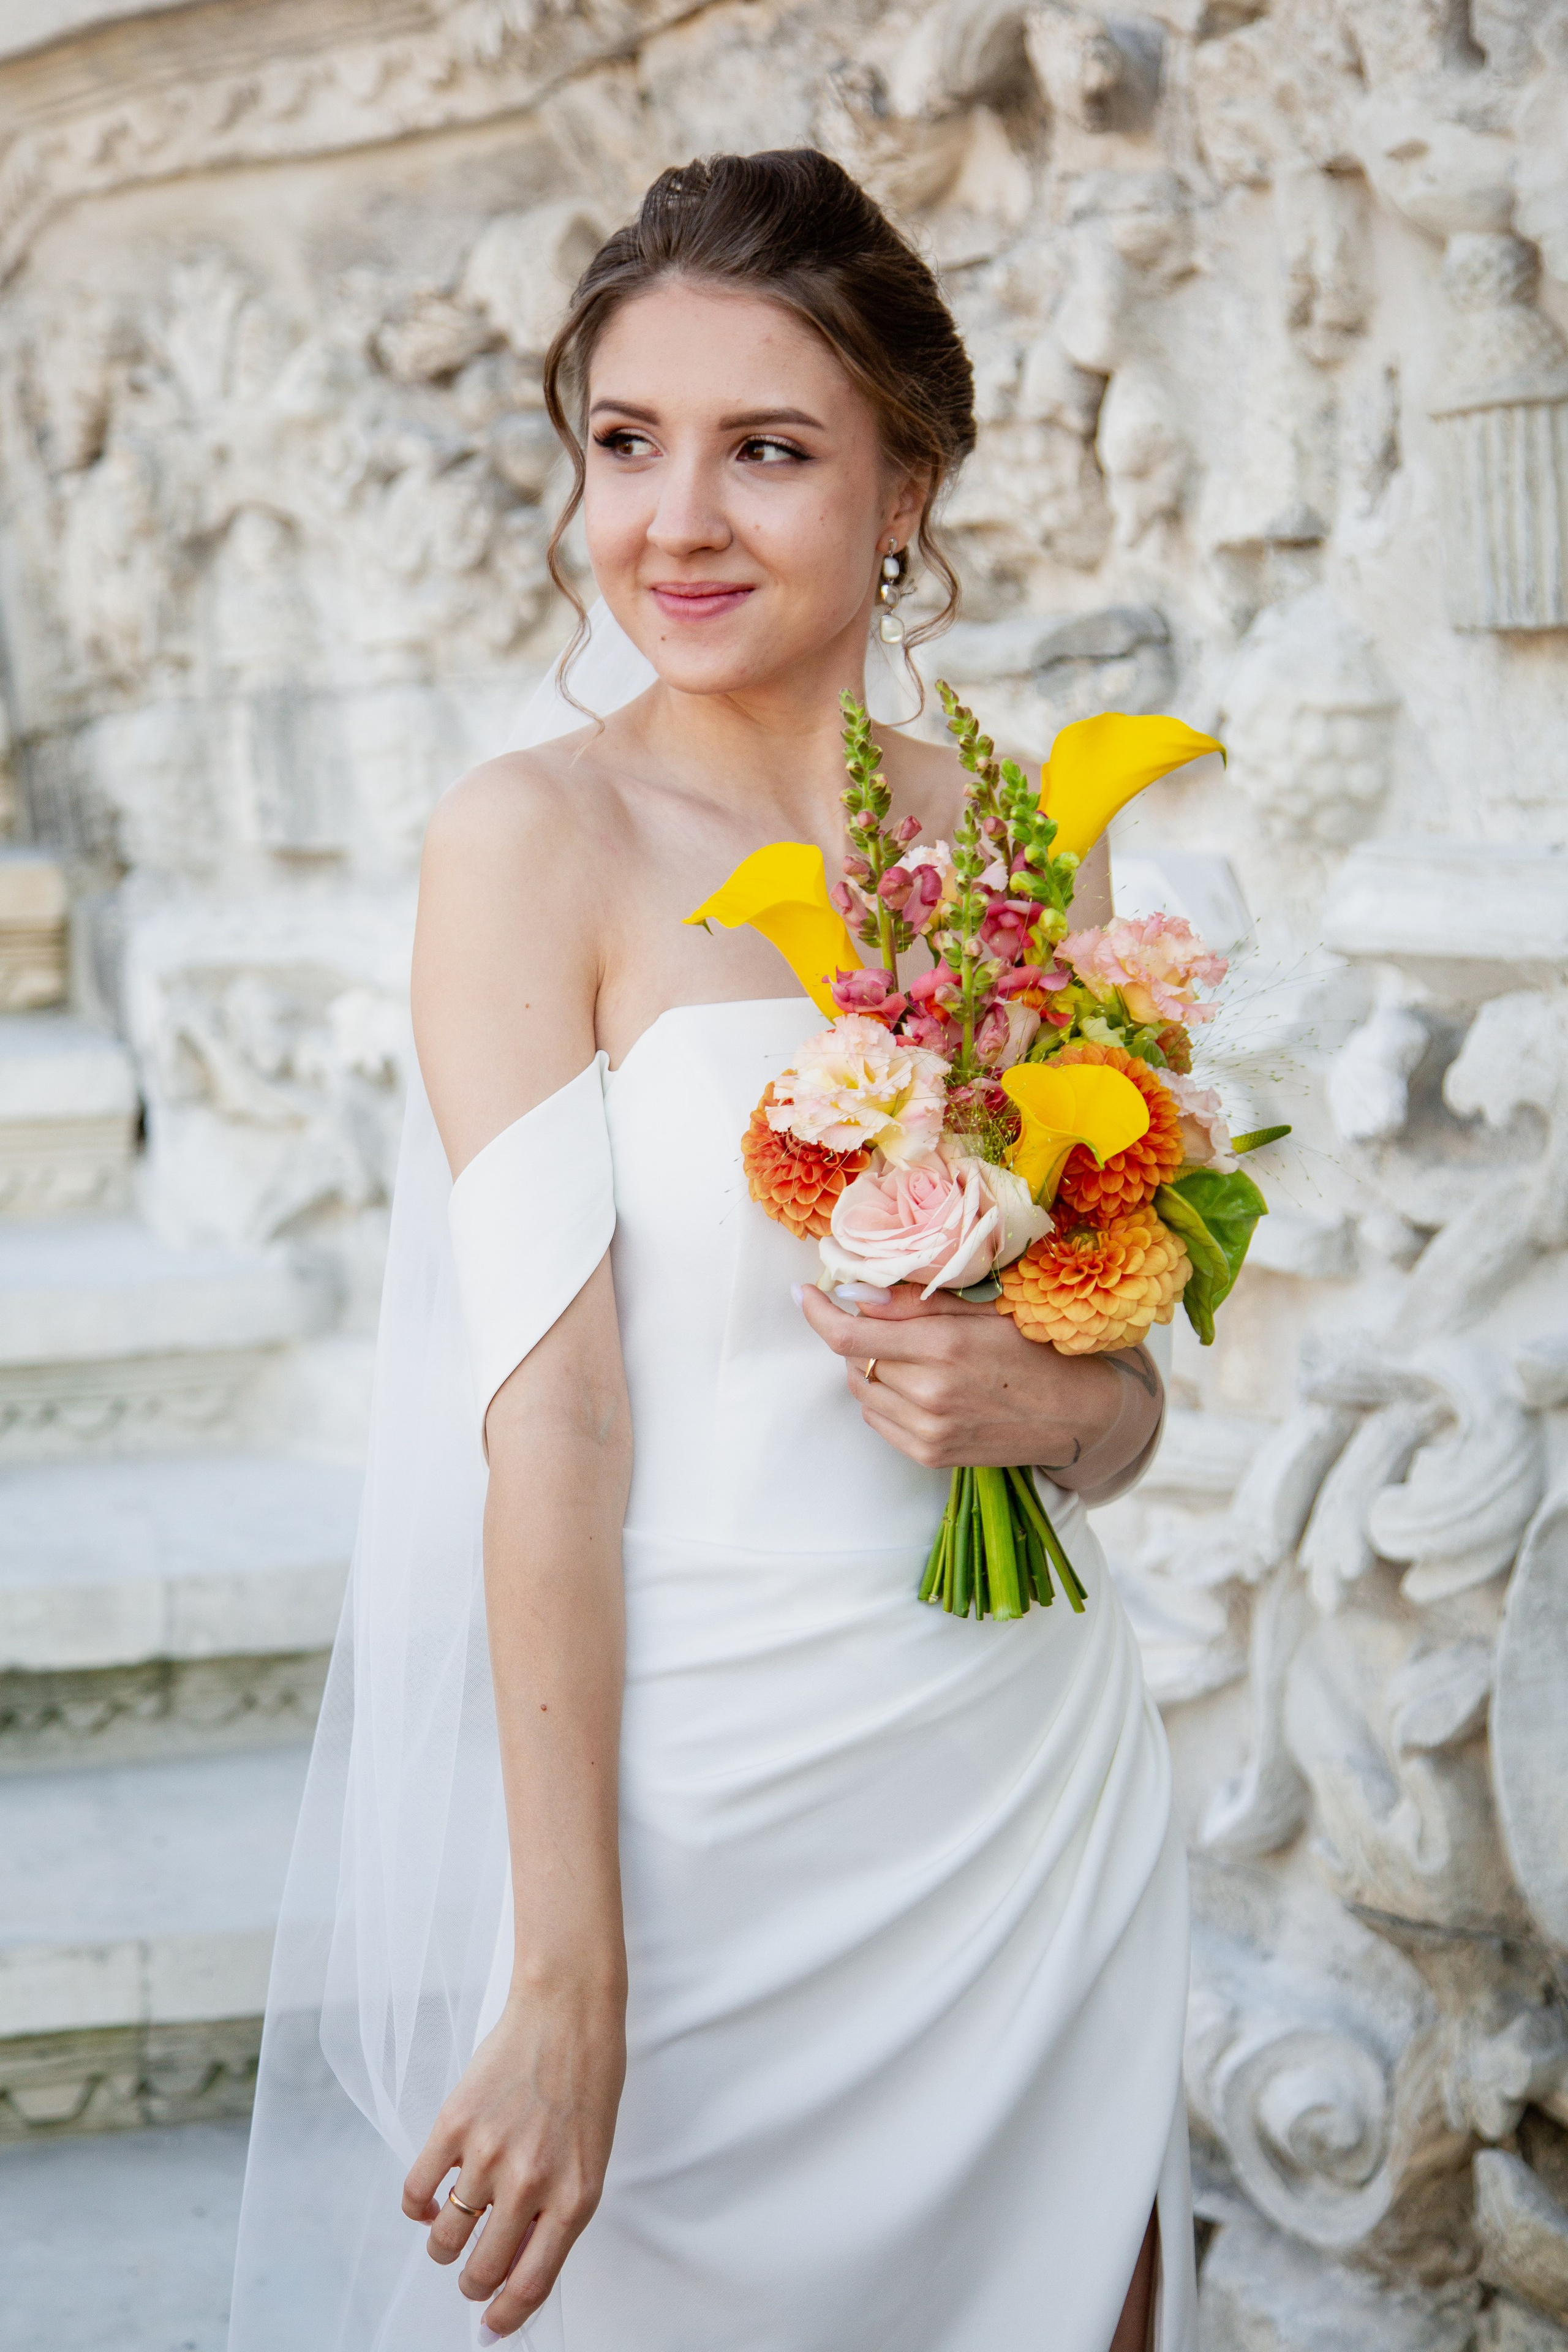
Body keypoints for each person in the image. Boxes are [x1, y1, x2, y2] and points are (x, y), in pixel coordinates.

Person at [230, 148, 1193, 2352]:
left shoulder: (1022, 837)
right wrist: (569, 1969)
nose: (676, 522)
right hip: (686, 1803)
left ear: (908, 485)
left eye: (767, 450)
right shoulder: (528, 843)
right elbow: (551, 1412)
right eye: (626, 444)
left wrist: (1084, 1403)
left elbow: (1112, 1352)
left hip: (1014, 1771)